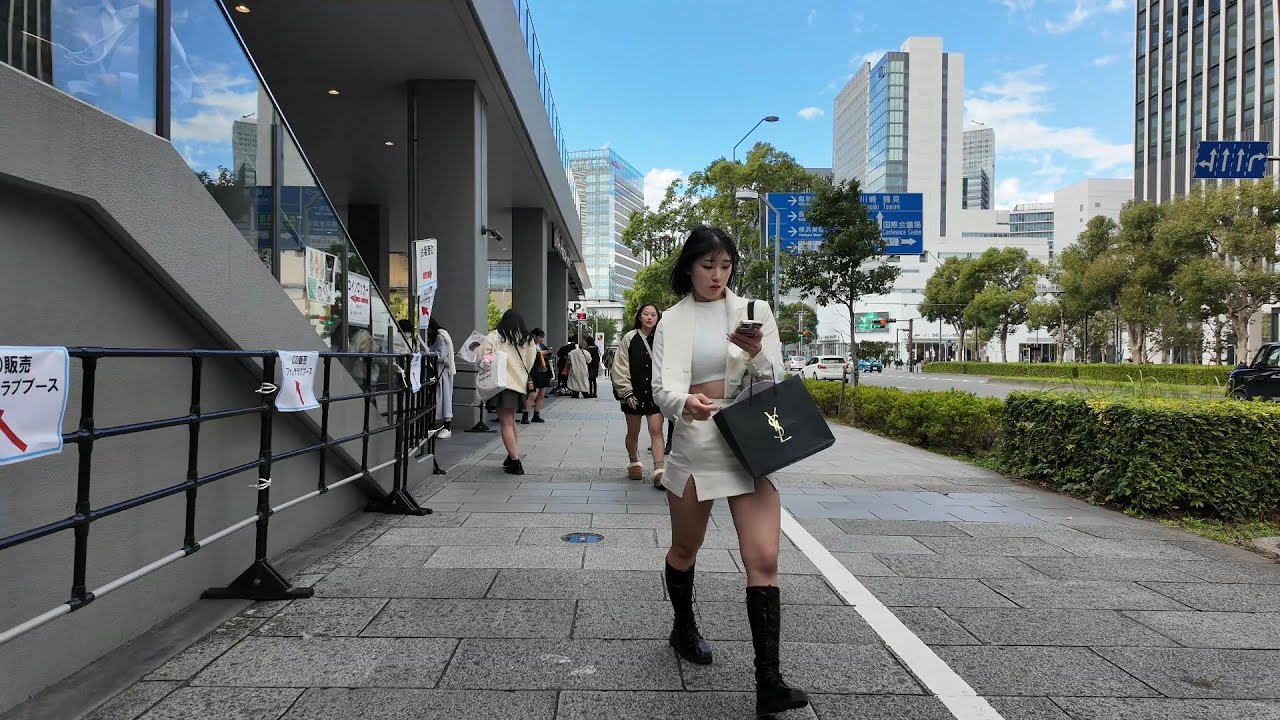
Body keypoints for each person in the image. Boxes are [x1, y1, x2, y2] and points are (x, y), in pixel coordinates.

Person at [650, 227, 808, 717]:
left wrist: (759, 354)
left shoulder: (754, 311)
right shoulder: (673, 321)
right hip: (696, 440)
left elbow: (776, 380)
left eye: (724, 266)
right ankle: (683, 626)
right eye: (706, 266)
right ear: (688, 268)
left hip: (748, 439)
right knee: (684, 549)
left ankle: (770, 681)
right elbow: (663, 388)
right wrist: (685, 404)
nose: (717, 276)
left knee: (763, 556)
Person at [610, 303, 666, 488]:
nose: (649, 317)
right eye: (646, 314)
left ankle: (659, 470)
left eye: (653, 315)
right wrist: (626, 392)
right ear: (640, 316)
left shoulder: (663, 339)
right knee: (633, 431)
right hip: (633, 393)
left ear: (658, 318)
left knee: (656, 430)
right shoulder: (629, 338)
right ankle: (634, 462)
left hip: (656, 393)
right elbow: (619, 366)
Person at [479, 310, 537, 475]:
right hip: (519, 385)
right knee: (511, 422)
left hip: (501, 384)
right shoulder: (528, 340)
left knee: (505, 423)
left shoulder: (496, 336)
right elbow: (530, 362)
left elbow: (484, 357)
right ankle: (511, 456)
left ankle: (515, 462)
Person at [426, 317, 455, 439]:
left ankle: (445, 427)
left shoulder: (440, 337)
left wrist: (427, 354)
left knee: (443, 398)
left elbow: (440, 355)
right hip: (442, 372)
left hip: (442, 372)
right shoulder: (442, 335)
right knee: (442, 398)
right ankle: (439, 426)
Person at [522, 328, 552, 424]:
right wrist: (541, 355)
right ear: (534, 336)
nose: (541, 339)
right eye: (539, 337)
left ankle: (536, 414)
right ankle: (525, 415)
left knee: (541, 394)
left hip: (544, 372)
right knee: (533, 394)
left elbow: (548, 354)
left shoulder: (541, 345)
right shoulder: (529, 346)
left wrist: (547, 353)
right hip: (534, 373)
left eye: (542, 338)